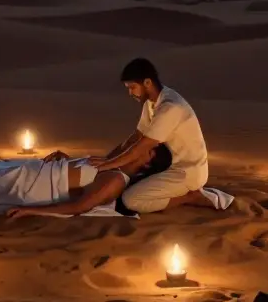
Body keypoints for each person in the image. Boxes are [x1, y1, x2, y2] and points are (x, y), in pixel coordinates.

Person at [88, 58, 213, 214]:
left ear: (147, 83)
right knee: (124, 185)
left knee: (131, 200)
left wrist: (108, 166)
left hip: (187, 172)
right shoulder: (152, 102)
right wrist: (108, 159)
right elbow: (136, 137)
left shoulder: (170, 107)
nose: (130, 93)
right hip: (167, 166)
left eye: (132, 87)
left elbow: (141, 147)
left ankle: (190, 197)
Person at [2, 144, 172, 219]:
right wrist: (68, 161)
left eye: (148, 151)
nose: (140, 147)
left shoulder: (116, 180)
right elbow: (85, 175)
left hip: (29, 184)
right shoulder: (112, 162)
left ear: (148, 164)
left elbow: (80, 207)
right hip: (34, 169)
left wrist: (29, 211)